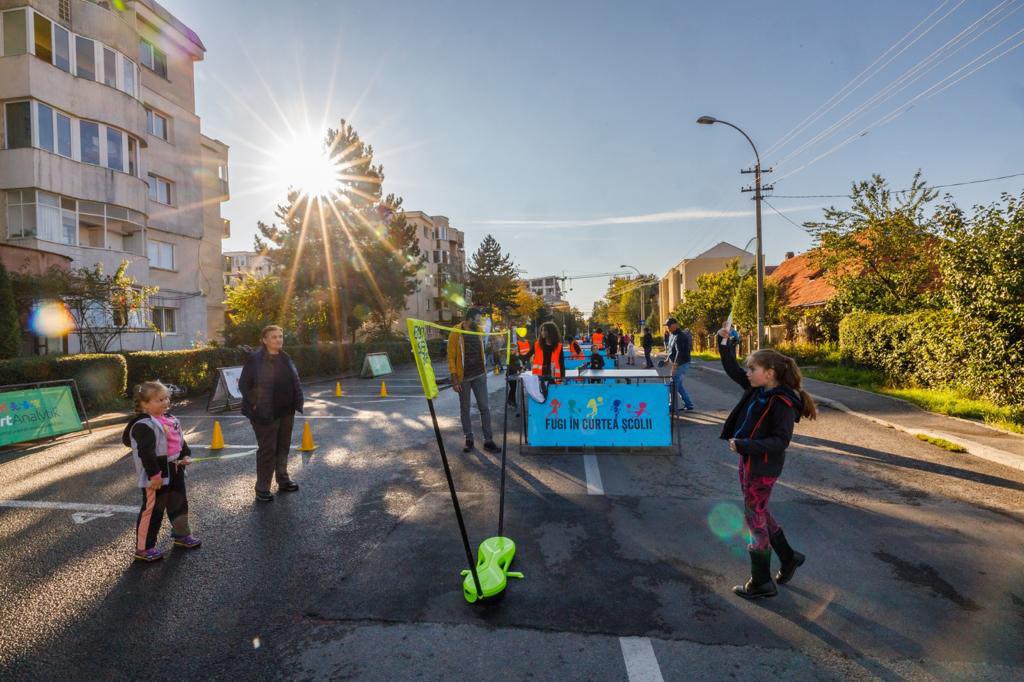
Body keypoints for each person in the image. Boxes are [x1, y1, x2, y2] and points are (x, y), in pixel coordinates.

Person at [717, 327, 817, 599]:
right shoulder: (757, 390)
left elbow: (780, 441)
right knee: (758, 510)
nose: (747, 373)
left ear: (770, 373)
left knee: (754, 519)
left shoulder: (782, 401)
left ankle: (761, 582)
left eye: (753, 369)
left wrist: (745, 444)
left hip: (762, 467)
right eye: (748, 369)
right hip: (749, 462)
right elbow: (732, 369)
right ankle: (789, 557)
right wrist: (724, 342)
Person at [123, 381, 200, 562]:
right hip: (156, 475)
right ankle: (144, 548)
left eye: (166, 398)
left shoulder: (170, 419)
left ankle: (182, 535)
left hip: (175, 469)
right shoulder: (144, 425)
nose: (165, 402)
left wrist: (185, 455)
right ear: (144, 404)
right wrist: (155, 476)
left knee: (179, 504)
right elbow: (147, 454)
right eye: (159, 400)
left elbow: (180, 441)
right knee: (153, 511)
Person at [239, 325, 305, 502]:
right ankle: (262, 488)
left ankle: (283, 480)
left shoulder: (285, 357)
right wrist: (255, 404)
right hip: (264, 413)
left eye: (280, 336)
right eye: (274, 337)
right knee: (268, 450)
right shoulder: (255, 360)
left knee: (283, 447)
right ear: (264, 340)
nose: (278, 339)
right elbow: (244, 385)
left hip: (286, 411)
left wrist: (296, 402)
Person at [449, 308, 500, 454]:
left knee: (484, 407)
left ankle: (488, 440)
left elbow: (487, 345)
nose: (479, 322)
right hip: (463, 377)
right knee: (465, 408)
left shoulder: (478, 331)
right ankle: (469, 439)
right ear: (470, 319)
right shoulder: (456, 332)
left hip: (479, 374)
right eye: (477, 319)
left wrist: (495, 342)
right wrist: (454, 378)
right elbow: (451, 356)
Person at [665, 317, 694, 412]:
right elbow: (671, 350)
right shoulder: (672, 335)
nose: (668, 327)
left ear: (675, 325)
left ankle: (672, 406)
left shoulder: (681, 336)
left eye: (669, 325)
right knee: (678, 385)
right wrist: (667, 360)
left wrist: (674, 366)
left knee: (673, 384)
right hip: (677, 363)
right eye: (667, 326)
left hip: (682, 363)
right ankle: (688, 404)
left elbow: (679, 352)